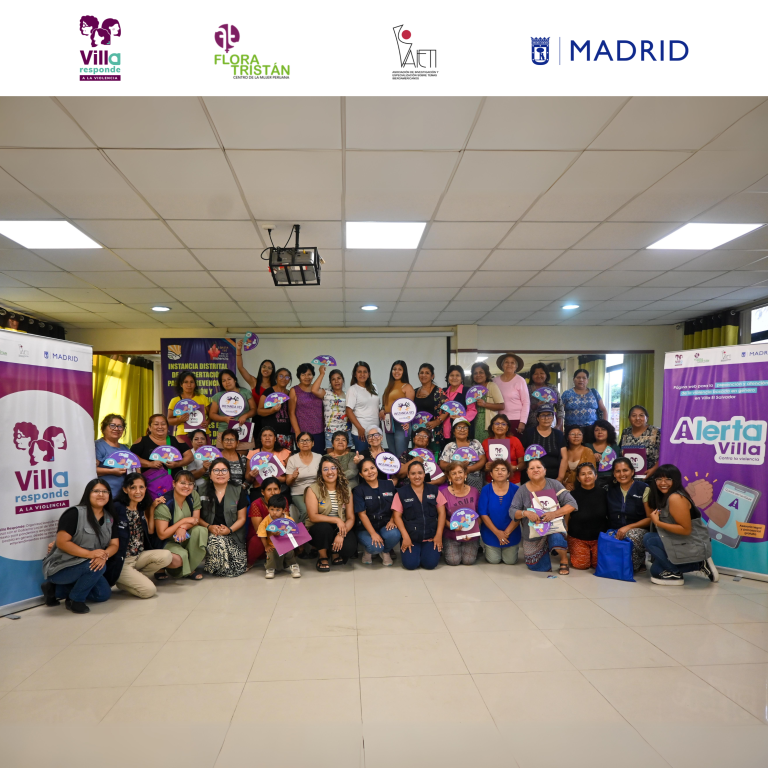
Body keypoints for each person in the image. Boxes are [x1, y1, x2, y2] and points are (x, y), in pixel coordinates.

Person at [41, 479, 118, 614]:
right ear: (88, 493)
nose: (101, 494)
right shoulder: (74, 513)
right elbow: (62, 542)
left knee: (103, 595)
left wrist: (103, 555)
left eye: (105, 491)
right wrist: (91, 554)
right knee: (97, 567)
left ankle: (55, 590)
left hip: (88, 566)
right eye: (96, 491)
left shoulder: (110, 517)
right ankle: (75, 600)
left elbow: (114, 544)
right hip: (62, 567)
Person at [643, 464, 719, 586]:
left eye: (668, 479)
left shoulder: (675, 497)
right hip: (678, 541)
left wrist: (658, 522)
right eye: (659, 479)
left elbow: (685, 530)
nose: (663, 483)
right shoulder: (664, 496)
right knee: (655, 570)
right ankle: (696, 565)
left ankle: (685, 568)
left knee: (649, 539)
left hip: (691, 543)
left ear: (676, 480)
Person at [109, 473, 176, 597]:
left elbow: (150, 531)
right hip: (123, 561)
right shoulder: (117, 508)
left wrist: (152, 508)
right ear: (125, 489)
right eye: (133, 488)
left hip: (139, 556)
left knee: (166, 555)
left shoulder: (140, 508)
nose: (138, 491)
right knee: (149, 591)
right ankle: (122, 578)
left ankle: (130, 579)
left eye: (141, 487)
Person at [510, 458, 576, 574]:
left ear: (545, 470)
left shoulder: (554, 484)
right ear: (527, 472)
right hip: (533, 531)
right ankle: (544, 552)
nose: (535, 470)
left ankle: (563, 559)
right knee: (539, 567)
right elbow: (512, 510)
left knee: (557, 538)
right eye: (531, 468)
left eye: (539, 467)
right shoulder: (522, 490)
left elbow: (572, 504)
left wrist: (554, 514)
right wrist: (525, 513)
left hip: (554, 527)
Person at [306, 455, 357, 571]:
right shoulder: (313, 489)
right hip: (319, 528)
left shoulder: (346, 490)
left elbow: (350, 518)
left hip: (339, 527)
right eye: (325, 469)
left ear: (338, 470)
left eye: (333, 468)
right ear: (321, 472)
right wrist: (336, 520)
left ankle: (334, 552)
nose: (330, 472)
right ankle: (323, 556)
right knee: (324, 528)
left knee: (349, 548)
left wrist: (341, 534)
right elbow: (313, 517)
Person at [392, 462, 446, 570]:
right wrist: (405, 537)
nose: (417, 476)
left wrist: (439, 535)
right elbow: (397, 516)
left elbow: (442, 513)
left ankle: (427, 552)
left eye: (420, 473)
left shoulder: (434, 490)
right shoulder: (401, 493)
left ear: (424, 474)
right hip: (411, 538)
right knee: (410, 565)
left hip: (431, 537)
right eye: (413, 473)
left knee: (430, 564)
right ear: (408, 475)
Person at [199, 458, 249, 578]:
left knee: (238, 567)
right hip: (211, 534)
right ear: (210, 474)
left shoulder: (238, 490)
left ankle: (217, 563)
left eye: (224, 470)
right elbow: (196, 517)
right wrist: (209, 527)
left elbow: (242, 518)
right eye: (216, 470)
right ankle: (216, 564)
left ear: (229, 474)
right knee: (217, 542)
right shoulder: (200, 490)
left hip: (233, 534)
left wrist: (229, 530)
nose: (220, 473)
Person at [153, 471, 207, 579]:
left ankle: (189, 569)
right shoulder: (165, 503)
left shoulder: (193, 495)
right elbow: (162, 535)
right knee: (178, 559)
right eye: (182, 483)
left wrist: (183, 527)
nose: (187, 487)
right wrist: (183, 521)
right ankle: (164, 566)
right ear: (174, 483)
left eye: (190, 484)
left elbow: (195, 520)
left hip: (184, 536)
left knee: (200, 530)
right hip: (167, 541)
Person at [606, 457, 650, 573]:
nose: (622, 474)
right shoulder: (609, 489)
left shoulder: (643, 489)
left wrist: (628, 527)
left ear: (632, 471)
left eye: (625, 470)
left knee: (631, 535)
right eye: (618, 471)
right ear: (614, 474)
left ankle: (639, 561)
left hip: (638, 530)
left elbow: (650, 518)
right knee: (607, 537)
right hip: (615, 530)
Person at [353, 458, 401, 565]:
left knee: (394, 534)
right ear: (361, 474)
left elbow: (396, 505)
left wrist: (392, 520)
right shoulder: (358, 490)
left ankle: (385, 551)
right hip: (366, 528)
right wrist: (373, 534)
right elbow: (362, 514)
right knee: (374, 547)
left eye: (372, 468)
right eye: (365, 470)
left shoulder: (389, 485)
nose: (370, 472)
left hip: (385, 524)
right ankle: (368, 551)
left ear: (377, 469)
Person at [130, 415, 194, 487]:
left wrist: (177, 464)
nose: (160, 427)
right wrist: (149, 464)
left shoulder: (176, 440)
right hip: (151, 485)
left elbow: (190, 457)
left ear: (167, 426)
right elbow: (131, 457)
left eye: (163, 424)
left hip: (176, 484)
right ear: (150, 427)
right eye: (156, 424)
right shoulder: (142, 441)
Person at [478, 459, 520, 565]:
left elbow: (519, 514)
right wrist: (497, 533)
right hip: (491, 532)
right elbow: (483, 514)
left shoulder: (516, 489)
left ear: (508, 473)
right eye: (496, 470)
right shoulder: (485, 490)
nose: (500, 472)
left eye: (503, 470)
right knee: (494, 560)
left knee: (510, 561)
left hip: (511, 533)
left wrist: (506, 533)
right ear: (491, 474)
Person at [567, 463, 609, 570]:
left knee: (597, 565)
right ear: (578, 478)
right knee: (581, 565)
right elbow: (566, 516)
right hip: (577, 536)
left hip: (599, 537)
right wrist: (565, 532)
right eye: (583, 474)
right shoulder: (572, 495)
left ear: (596, 476)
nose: (587, 476)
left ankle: (591, 553)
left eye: (590, 473)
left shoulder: (604, 493)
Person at [439, 462, 481, 566]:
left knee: (468, 561)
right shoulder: (443, 493)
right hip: (451, 533)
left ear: (465, 474)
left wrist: (472, 531)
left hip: (471, 533)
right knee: (453, 561)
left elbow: (480, 515)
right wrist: (451, 526)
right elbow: (441, 516)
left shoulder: (475, 492)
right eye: (454, 473)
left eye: (460, 472)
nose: (458, 475)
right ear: (449, 477)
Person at [235, 340, 276, 437]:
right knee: (257, 443)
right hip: (257, 418)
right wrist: (238, 350)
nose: (266, 369)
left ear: (273, 370)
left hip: (272, 418)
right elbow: (240, 368)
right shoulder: (254, 382)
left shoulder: (276, 386)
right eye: (264, 367)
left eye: (269, 368)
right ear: (260, 368)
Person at [209, 369, 257, 450]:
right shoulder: (218, 396)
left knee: (242, 457)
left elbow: (254, 409)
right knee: (225, 457)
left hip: (243, 429)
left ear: (235, 380)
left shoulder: (245, 392)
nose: (227, 382)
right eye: (224, 380)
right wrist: (224, 419)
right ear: (221, 383)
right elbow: (212, 414)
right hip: (224, 430)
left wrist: (245, 416)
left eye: (229, 379)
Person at [258, 494, 302, 579]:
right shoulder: (266, 521)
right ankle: (270, 569)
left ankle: (294, 566)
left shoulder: (289, 520)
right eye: (272, 509)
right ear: (268, 509)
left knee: (290, 553)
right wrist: (266, 545)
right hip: (272, 545)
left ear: (283, 510)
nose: (274, 512)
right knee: (270, 554)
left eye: (278, 510)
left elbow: (294, 533)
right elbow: (262, 534)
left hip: (286, 544)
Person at [285, 432, 322, 522]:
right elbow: (288, 482)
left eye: (307, 440)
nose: (305, 443)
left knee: (322, 509)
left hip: (317, 492)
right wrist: (293, 477)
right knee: (306, 511)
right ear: (297, 444)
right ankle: (301, 530)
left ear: (313, 443)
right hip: (299, 493)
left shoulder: (319, 457)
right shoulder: (292, 459)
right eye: (302, 441)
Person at [381, 360, 416, 456]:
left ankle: (403, 467)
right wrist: (382, 409)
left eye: (400, 369)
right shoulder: (389, 386)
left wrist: (407, 422)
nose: (396, 371)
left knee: (401, 454)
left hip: (402, 423)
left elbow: (410, 407)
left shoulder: (407, 387)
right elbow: (386, 402)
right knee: (392, 454)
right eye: (394, 369)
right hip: (388, 422)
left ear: (404, 371)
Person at [439, 417, 486, 489]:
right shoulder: (449, 446)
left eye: (465, 427)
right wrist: (458, 466)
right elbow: (442, 463)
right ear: (454, 431)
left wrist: (469, 469)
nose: (462, 430)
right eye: (459, 427)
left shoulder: (476, 443)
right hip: (455, 479)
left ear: (468, 431)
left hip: (475, 479)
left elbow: (482, 459)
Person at [521, 407, 566, 480]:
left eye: (549, 415)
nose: (546, 418)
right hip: (532, 477)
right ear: (537, 418)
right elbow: (521, 454)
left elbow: (564, 457)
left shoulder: (558, 434)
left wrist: (560, 478)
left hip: (554, 477)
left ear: (553, 418)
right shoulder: (529, 433)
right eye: (543, 415)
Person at [346, 361, 382, 453]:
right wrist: (360, 428)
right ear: (355, 374)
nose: (362, 374)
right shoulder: (352, 389)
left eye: (365, 372)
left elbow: (376, 406)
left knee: (376, 456)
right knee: (363, 458)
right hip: (361, 432)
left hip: (375, 431)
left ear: (369, 374)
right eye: (359, 372)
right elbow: (349, 411)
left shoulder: (374, 387)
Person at [246, 476, 282, 568]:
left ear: (280, 490)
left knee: (296, 532)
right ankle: (249, 563)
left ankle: (287, 561)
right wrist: (272, 532)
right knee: (257, 540)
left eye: (275, 489)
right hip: (262, 537)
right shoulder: (256, 504)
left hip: (277, 533)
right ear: (262, 492)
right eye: (269, 490)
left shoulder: (283, 501)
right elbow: (259, 530)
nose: (273, 492)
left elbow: (285, 521)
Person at [619, 404, 661, 479]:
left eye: (641, 415)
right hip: (628, 477)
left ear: (647, 418)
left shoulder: (656, 432)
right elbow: (621, 452)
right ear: (629, 418)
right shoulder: (626, 432)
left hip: (652, 476)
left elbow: (665, 454)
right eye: (634, 415)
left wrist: (653, 469)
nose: (637, 418)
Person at [289, 363, 325, 449]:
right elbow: (291, 413)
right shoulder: (294, 390)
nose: (307, 377)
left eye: (309, 374)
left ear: (313, 376)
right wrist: (297, 432)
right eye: (303, 374)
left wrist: (322, 373)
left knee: (318, 455)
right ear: (299, 376)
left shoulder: (318, 390)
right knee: (303, 456)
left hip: (319, 431)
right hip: (302, 432)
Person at [167, 370, 210, 443]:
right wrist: (180, 419)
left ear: (195, 384)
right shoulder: (175, 400)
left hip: (202, 433)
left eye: (191, 382)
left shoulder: (203, 398)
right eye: (186, 382)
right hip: (183, 434)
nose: (189, 385)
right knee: (186, 451)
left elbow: (211, 415)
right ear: (181, 384)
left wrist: (207, 422)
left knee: (205, 451)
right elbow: (169, 420)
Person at [311, 366, 349, 448]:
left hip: (346, 431)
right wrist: (322, 373)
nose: (336, 381)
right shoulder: (326, 393)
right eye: (333, 379)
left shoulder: (348, 394)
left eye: (339, 378)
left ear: (343, 380)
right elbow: (314, 390)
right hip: (331, 431)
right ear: (330, 382)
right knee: (330, 455)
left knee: (346, 455)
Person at [95, 413, 131, 498]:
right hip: (105, 495)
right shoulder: (98, 446)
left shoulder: (125, 448)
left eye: (120, 426)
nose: (116, 429)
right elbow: (91, 470)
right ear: (104, 428)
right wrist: (112, 471)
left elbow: (133, 468)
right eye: (112, 425)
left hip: (124, 496)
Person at [482, 413, 524, 484]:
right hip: (491, 481)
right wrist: (485, 468)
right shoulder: (485, 442)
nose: (500, 426)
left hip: (512, 481)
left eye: (503, 424)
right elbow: (482, 465)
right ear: (492, 427)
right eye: (497, 423)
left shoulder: (515, 440)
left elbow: (523, 464)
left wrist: (515, 468)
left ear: (507, 428)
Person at [257, 367, 293, 450]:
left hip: (287, 434)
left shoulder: (290, 393)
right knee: (270, 457)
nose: (284, 379)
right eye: (281, 376)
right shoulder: (268, 392)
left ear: (289, 380)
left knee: (287, 457)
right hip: (270, 435)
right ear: (276, 378)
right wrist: (271, 410)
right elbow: (259, 411)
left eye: (287, 377)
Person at [494, 353, 529, 436]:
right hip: (499, 420)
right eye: (506, 362)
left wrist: (523, 422)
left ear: (516, 367)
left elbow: (526, 402)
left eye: (512, 362)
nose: (509, 364)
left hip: (516, 420)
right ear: (502, 365)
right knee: (500, 443)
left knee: (514, 443)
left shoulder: (520, 380)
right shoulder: (495, 381)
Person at [469, 361, 505, 444]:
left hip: (488, 424)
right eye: (475, 373)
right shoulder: (473, 389)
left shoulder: (492, 386)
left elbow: (501, 406)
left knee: (488, 447)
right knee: (477, 447)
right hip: (475, 423)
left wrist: (485, 404)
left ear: (486, 374)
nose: (478, 375)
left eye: (481, 372)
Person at [442, 365, 476, 442]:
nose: (454, 378)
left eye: (457, 375)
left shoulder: (467, 392)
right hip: (443, 432)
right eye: (451, 375)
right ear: (448, 377)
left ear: (462, 378)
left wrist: (461, 418)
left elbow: (472, 410)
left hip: (461, 432)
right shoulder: (443, 392)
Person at [527, 362, 565, 430]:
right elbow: (522, 408)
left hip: (550, 425)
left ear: (546, 375)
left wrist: (559, 425)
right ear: (531, 376)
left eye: (542, 373)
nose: (539, 376)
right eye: (536, 374)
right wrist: (535, 406)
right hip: (531, 426)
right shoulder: (526, 388)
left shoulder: (552, 388)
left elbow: (560, 407)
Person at [413, 362, 448, 435]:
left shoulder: (439, 391)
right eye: (421, 373)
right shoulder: (414, 391)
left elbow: (448, 408)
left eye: (427, 373)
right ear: (418, 375)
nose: (424, 375)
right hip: (417, 431)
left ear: (432, 376)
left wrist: (437, 422)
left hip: (433, 431)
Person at [585, 419, 622, 484]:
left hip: (612, 480)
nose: (600, 432)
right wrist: (591, 457)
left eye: (603, 429)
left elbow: (619, 466)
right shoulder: (587, 447)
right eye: (597, 430)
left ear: (609, 432)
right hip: (592, 480)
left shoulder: (615, 448)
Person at [561, 426, 597, 490]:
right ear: (567, 437)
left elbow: (591, 472)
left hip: (583, 487)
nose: (576, 436)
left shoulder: (588, 451)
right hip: (563, 487)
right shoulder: (563, 451)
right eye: (573, 434)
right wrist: (564, 484)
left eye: (579, 434)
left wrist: (576, 485)